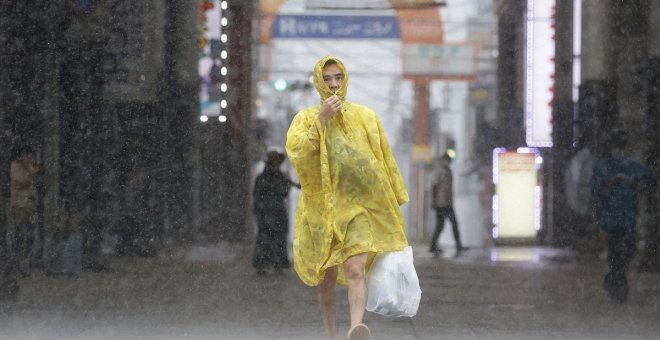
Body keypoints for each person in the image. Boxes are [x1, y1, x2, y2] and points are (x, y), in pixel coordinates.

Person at [286, 56, 410, 340]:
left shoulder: (366, 117)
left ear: (345, 80)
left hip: (359, 208)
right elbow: (299, 155)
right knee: (327, 278)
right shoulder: (305, 119)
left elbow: (383, 158)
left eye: (338, 78)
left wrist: (393, 195)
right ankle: (331, 333)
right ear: (319, 81)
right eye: (327, 78)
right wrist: (321, 120)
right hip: (322, 210)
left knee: (356, 268)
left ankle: (356, 327)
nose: (333, 84)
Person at [591, 129, 647, 303]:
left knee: (626, 251)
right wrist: (613, 182)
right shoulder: (604, 166)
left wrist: (630, 182)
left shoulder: (632, 165)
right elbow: (598, 190)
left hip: (627, 215)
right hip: (612, 217)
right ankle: (618, 288)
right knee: (617, 252)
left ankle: (613, 280)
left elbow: (642, 186)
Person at [252, 148, 299, 275]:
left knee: (273, 239)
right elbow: (259, 195)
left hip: (274, 212)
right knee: (267, 239)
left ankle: (271, 264)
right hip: (269, 212)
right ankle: (267, 265)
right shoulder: (268, 177)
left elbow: (282, 192)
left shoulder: (275, 176)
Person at [10, 148, 40, 276]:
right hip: (19, 205)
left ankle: (26, 264)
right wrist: (32, 173)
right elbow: (20, 182)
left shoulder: (29, 166)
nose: (29, 158)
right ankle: (17, 264)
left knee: (29, 234)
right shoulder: (16, 166)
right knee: (20, 234)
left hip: (30, 206)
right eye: (27, 155)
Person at [429, 153, 466, 254]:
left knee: (443, 225)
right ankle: (457, 245)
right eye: (446, 160)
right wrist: (434, 201)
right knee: (449, 224)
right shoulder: (440, 171)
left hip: (448, 202)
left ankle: (434, 245)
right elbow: (434, 186)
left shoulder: (449, 171)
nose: (448, 162)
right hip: (441, 204)